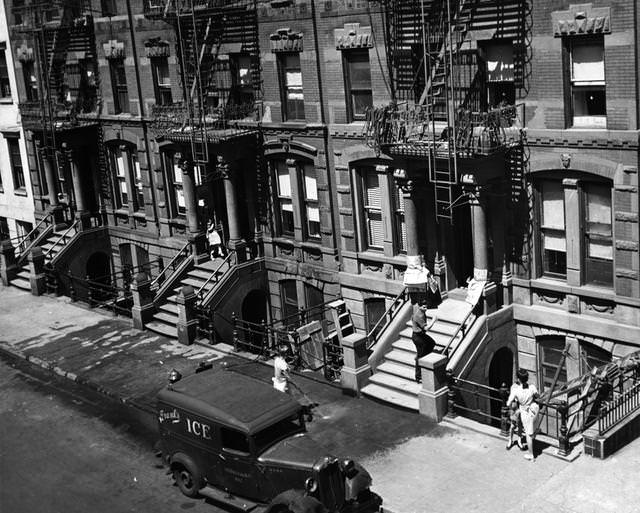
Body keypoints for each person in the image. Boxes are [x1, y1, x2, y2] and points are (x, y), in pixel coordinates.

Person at [507, 368, 540, 461]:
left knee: (528, 434)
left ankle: (531, 454)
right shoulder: (532, 387)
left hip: (524, 412)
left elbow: (508, 403)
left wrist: (515, 400)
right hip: (533, 410)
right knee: (532, 430)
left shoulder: (516, 390)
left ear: (518, 379)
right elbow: (538, 396)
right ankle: (521, 441)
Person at [411, 299, 437, 383]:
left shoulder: (420, 311)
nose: (426, 308)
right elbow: (427, 328)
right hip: (418, 337)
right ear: (420, 306)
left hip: (421, 335)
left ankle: (422, 357)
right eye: (424, 307)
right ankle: (418, 376)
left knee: (431, 343)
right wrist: (433, 320)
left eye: (426, 307)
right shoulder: (419, 315)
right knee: (420, 356)